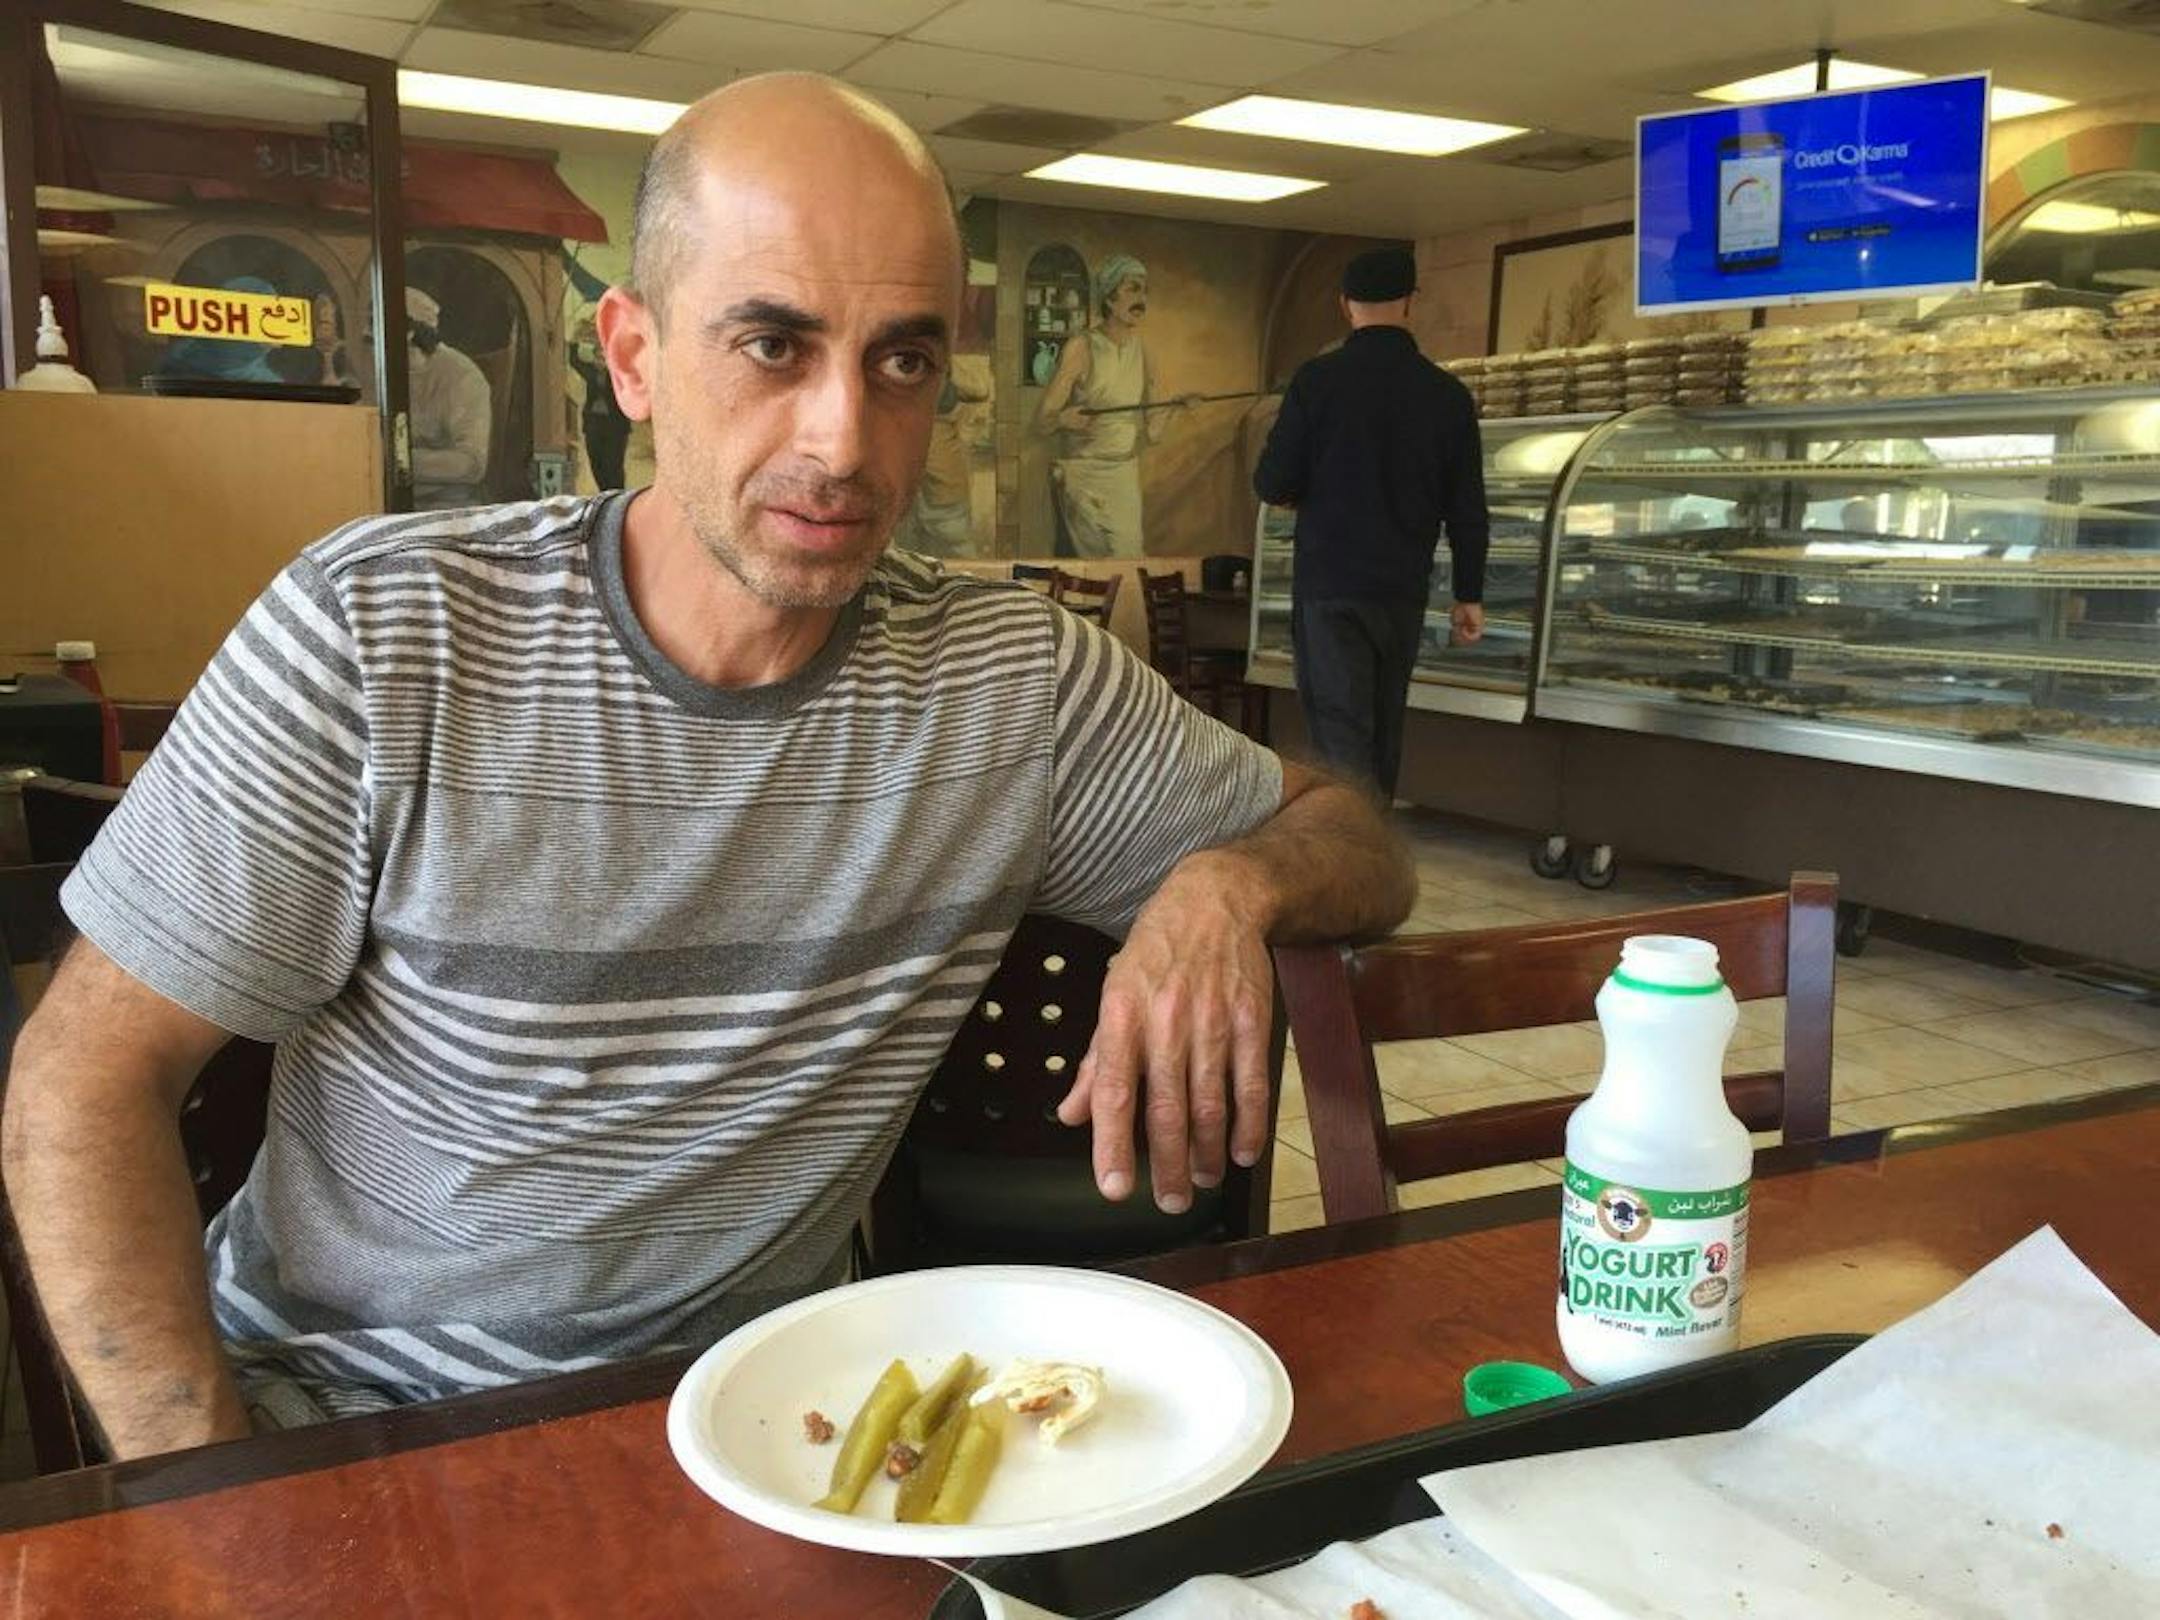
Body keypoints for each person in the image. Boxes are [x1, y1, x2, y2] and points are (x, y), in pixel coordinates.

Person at [2, 74, 1415, 1459]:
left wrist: (1229, 887)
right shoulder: (385, 634)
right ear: (631, 356)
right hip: (358, 1429)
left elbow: (1354, 839)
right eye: (772, 346)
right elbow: (80, 1084)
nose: (842, 442)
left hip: (775, 1429)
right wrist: (210, 1498)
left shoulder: (1011, 680)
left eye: (903, 362)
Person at [1253, 248, 1490, 798]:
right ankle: (1375, 850)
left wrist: (1300, 493)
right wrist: (1469, 594)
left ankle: (1351, 863)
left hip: (1330, 586)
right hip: (1402, 589)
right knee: (1384, 730)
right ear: (1410, 302)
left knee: (1339, 732)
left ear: (1344, 305)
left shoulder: (1317, 382)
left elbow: (1271, 481)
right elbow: (1467, 505)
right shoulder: (1447, 396)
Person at [1034, 254, 1189, 558]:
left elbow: (1154, 432)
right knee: (1096, 568)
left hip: (1123, 476)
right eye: (1132, 289)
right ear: (1109, 296)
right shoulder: (1082, 347)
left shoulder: (1144, 352)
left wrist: (1173, 406)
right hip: (1084, 477)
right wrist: (1064, 419)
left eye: (1144, 291)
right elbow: (1043, 421)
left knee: (1129, 559)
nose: (1140, 299)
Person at [406, 285, 492, 508]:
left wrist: (399, 462)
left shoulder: (463, 377)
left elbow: (471, 464)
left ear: (410, 333)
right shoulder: (380, 371)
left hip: (447, 511)